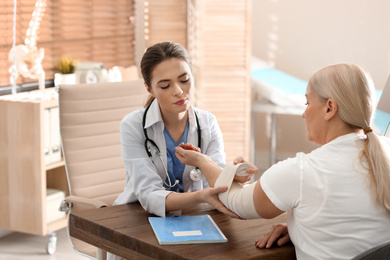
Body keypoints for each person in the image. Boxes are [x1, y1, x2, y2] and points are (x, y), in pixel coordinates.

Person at [175, 63, 390, 259]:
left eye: (307, 102)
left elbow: (235, 201)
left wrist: (202, 161)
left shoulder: (303, 171)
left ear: (329, 108)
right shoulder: (384, 152)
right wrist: (301, 224)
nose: (304, 114)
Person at [113, 41, 238, 218]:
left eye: (184, 80)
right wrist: (200, 196)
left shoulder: (207, 123)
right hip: (140, 216)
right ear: (150, 89)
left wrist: (229, 172)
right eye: (165, 85)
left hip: (194, 215)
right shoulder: (133, 126)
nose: (179, 91)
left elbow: (219, 183)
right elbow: (149, 194)